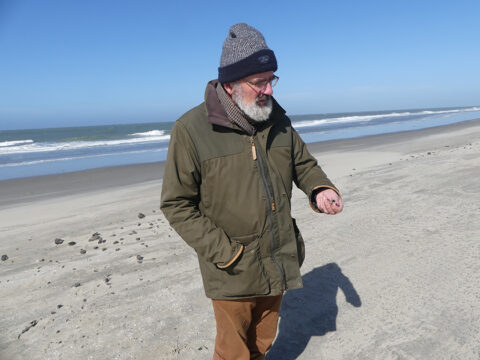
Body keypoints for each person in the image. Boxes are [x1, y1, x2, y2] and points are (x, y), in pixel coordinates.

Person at [160, 23, 343, 360]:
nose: (268, 90)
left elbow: (302, 163)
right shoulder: (191, 129)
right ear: (230, 85)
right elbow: (176, 204)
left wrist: (319, 189)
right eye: (259, 82)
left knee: (262, 344)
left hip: (278, 255)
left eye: (271, 79)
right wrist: (227, 252)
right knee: (233, 352)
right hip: (232, 266)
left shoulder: (277, 120)